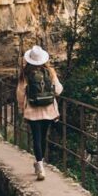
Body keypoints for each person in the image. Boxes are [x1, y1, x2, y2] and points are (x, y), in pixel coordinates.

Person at [16, 44, 63, 181]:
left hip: (32, 110)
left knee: (36, 137)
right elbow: (58, 90)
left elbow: (20, 93)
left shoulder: (25, 74)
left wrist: (21, 108)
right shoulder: (50, 72)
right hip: (48, 110)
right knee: (43, 137)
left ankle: (40, 167)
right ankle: (40, 163)